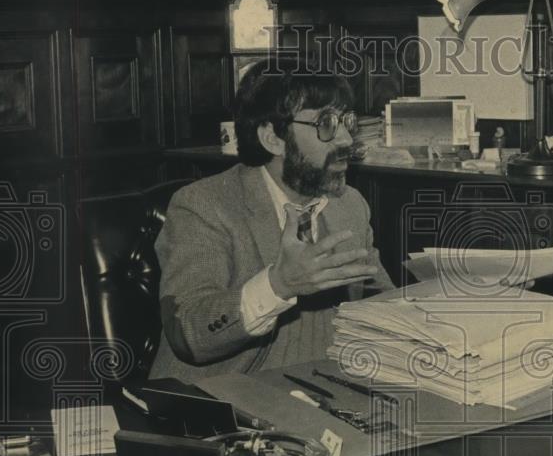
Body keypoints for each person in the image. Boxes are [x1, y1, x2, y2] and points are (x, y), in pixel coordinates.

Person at [149, 60, 393, 381]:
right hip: (223, 405)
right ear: (272, 139)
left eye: (347, 121)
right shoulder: (204, 206)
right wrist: (279, 285)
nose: (347, 139)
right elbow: (190, 332)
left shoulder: (349, 205)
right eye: (326, 123)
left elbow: (382, 306)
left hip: (323, 395)